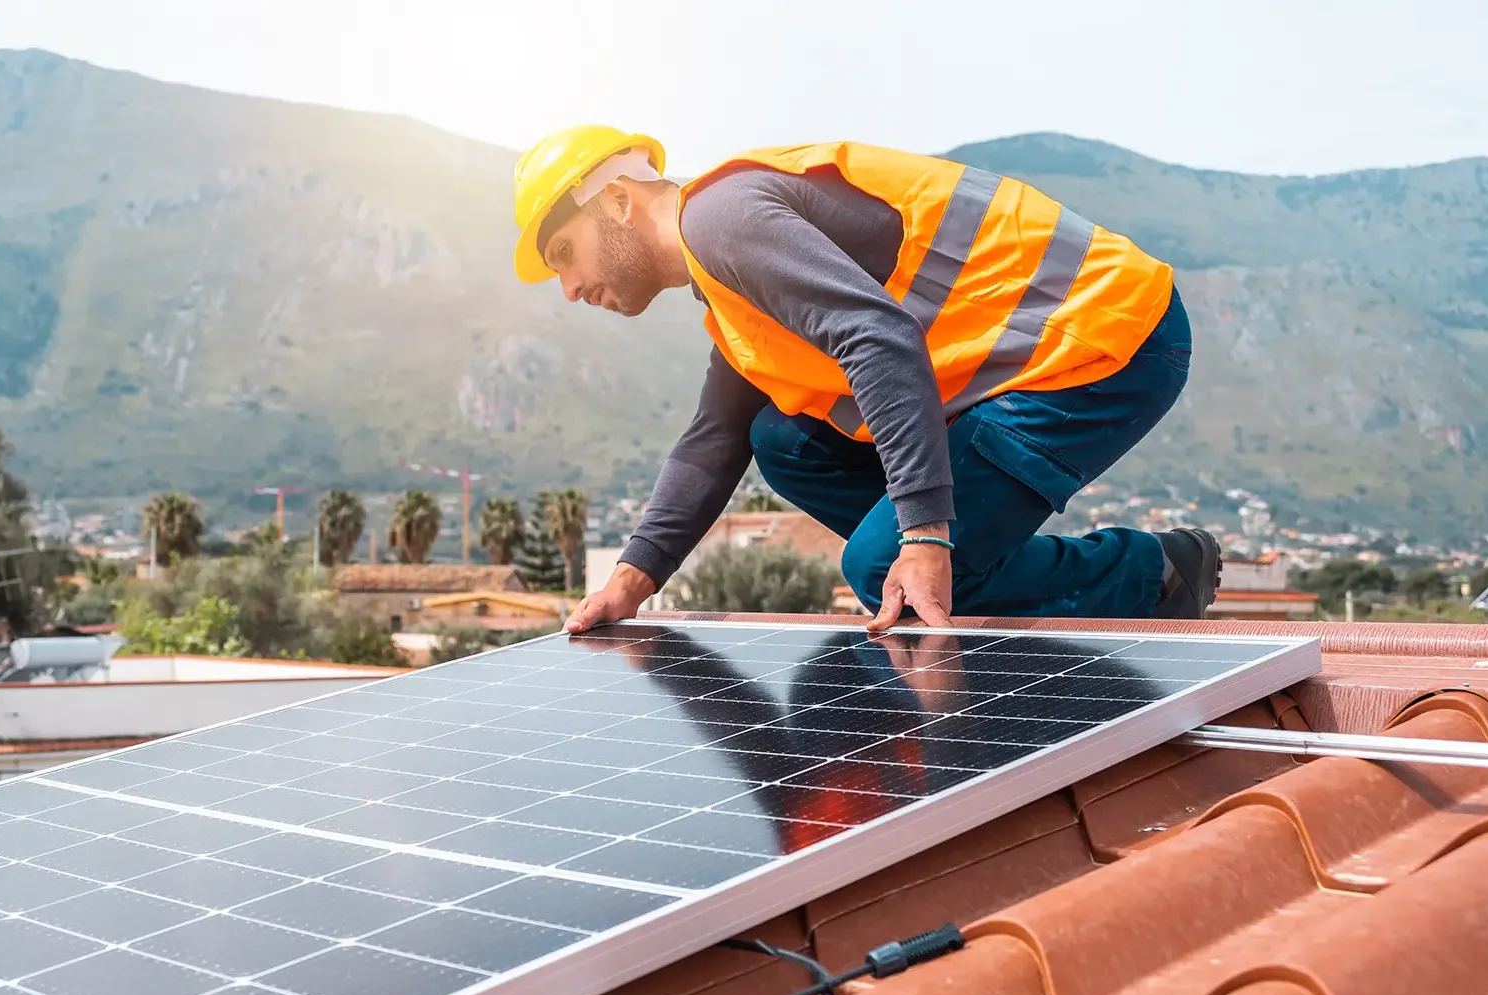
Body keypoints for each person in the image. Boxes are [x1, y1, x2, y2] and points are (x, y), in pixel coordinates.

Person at [510, 127, 1220, 634]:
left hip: (1103, 338)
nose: (569, 287)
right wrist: (632, 582)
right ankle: (956, 567)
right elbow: (713, 441)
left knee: (889, 559)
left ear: (619, 202)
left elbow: (877, 339)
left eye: (565, 253)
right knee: (780, 438)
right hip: (1027, 365)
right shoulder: (725, 279)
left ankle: (1154, 572)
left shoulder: (720, 220)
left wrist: (923, 538)